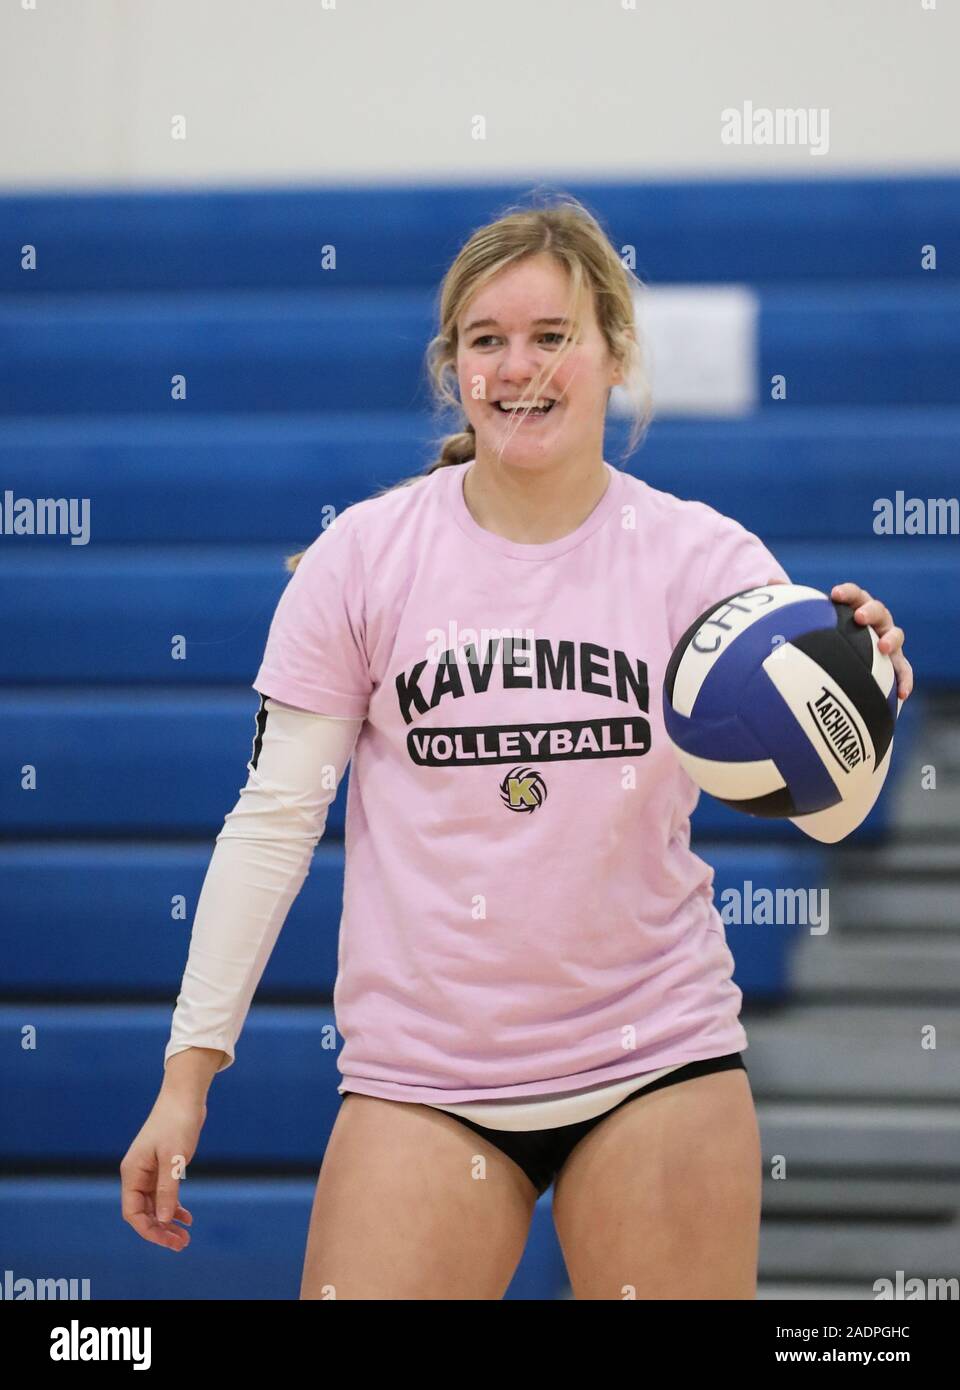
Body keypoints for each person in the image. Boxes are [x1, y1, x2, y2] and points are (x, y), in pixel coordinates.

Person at [120, 193, 913, 1300]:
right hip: (425, 1080)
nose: (519, 366)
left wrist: (864, 690)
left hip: (655, 1062)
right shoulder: (364, 558)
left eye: (552, 337)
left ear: (614, 354)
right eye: (487, 341)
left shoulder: (701, 558)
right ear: (453, 369)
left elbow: (835, 807)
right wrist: (187, 1074)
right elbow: (272, 826)